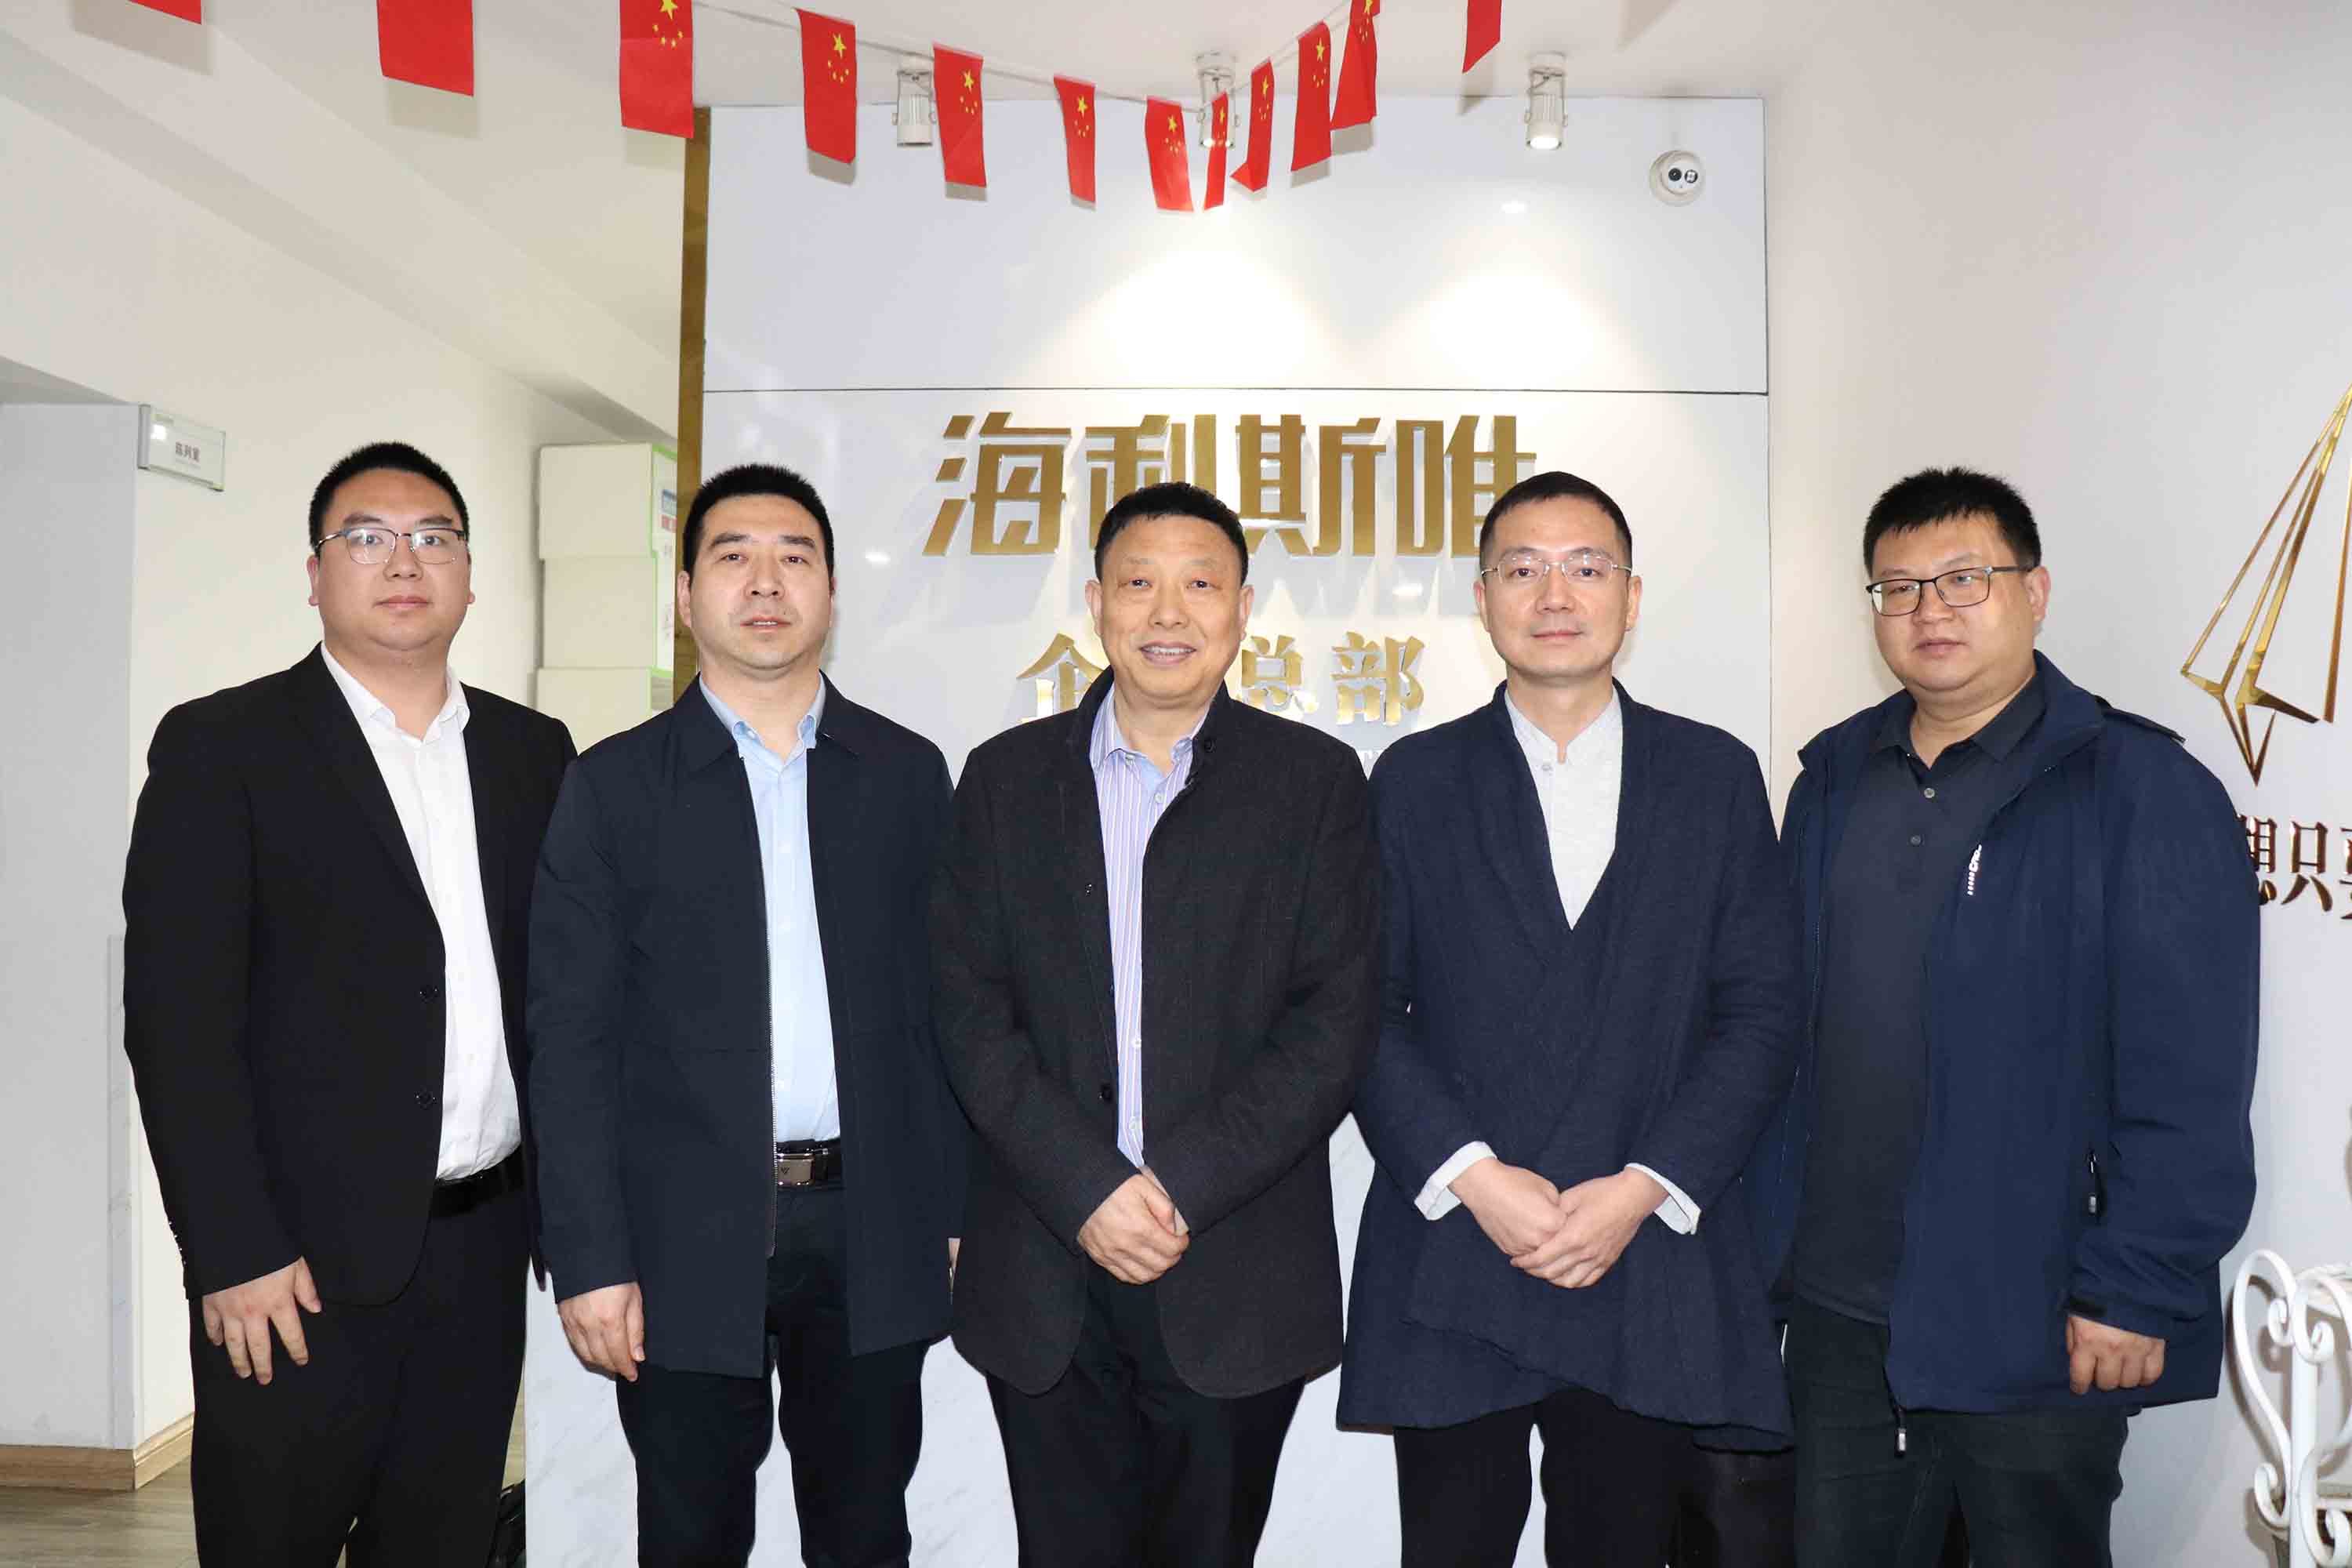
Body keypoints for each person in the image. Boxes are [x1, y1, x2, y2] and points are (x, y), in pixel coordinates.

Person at [1750, 466, 2259, 1566]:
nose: (1929, 610)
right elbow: (1785, 1034)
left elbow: (2192, 1072)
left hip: (2040, 1306)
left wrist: (2139, 1285)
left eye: (1964, 579)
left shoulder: (2140, 790)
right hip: (1842, 1311)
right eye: (1898, 588)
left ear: (2035, 592)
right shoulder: (1833, 777)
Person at [122, 441, 575, 1564]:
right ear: (315, 574)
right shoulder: (225, 747)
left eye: (434, 538)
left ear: (469, 575)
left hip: (483, 1251)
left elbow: (560, 1000)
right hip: (295, 1268)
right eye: (365, 537)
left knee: (439, 1541)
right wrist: (231, 1248)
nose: (403, 562)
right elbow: (179, 1028)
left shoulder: (532, 755)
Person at [1340, 470, 1803, 1566]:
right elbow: (1361, 1010)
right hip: (1460, 1241)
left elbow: (1763, 1010)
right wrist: (1475, 1177)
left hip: (1642, 1249)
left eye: (1586, 567)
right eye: (1524, 568)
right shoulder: (1414, 778)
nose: (1556, 594)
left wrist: (1645, 1187)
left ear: (1631, 597)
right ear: (1483, 598)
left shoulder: (1712, 775)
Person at [931, 481, 1380, 1566]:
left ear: (1242, 610)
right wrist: (1088, 1188)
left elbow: (1334, 1022)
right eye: (1138, 583)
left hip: (1234, 1266)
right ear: (1096, 603)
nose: (1168, 613)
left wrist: (1175, 1187)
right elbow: (968, 1011)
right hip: (1045, 1264)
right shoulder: (1004, 781)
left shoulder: (1314, 784)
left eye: (1200, 585)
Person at [528, 462, 964, 1567]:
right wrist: (589, 1257)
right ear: (686, 595)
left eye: (794, 557)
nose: (765, 582)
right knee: (690, 1536)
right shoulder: (614, 786)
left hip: (870, 1223)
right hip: (679, 1232)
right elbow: (569, 1040)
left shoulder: (907, 776)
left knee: (865, 1534)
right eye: (733, 557)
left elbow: (954, 1011)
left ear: (830, 594)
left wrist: (959, 1208)